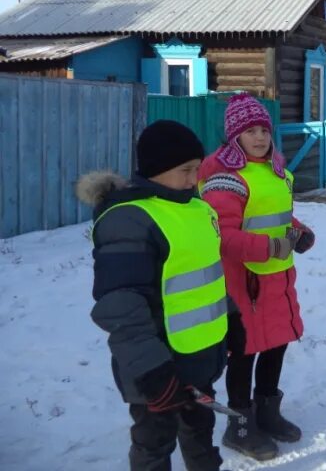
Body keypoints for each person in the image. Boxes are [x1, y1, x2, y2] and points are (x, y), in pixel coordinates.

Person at [77, 120, 227, 471]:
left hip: (198, 356)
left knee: (200, 432)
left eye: (197, 169)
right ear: (156, 171)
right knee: (154, 444)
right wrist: (152, 371)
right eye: (185, 171)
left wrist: (230, 317)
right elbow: (121, 305)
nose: (194, 179)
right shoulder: (129, 219)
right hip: (156, 367)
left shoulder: (196, 208)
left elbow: (207, 273)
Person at [198, 93, 314, 461]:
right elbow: (224, 235)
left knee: (277, 344)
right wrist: (269, 248)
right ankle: (240, 426)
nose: (260, 137)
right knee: (244, 353)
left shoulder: (277, 171)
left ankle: (267, 413)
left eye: (264, 129)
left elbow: (277, 217)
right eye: (251, 131)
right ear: (235, 135)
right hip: (243, 282)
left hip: (278, 279)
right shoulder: (224, 179)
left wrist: (300, 231)